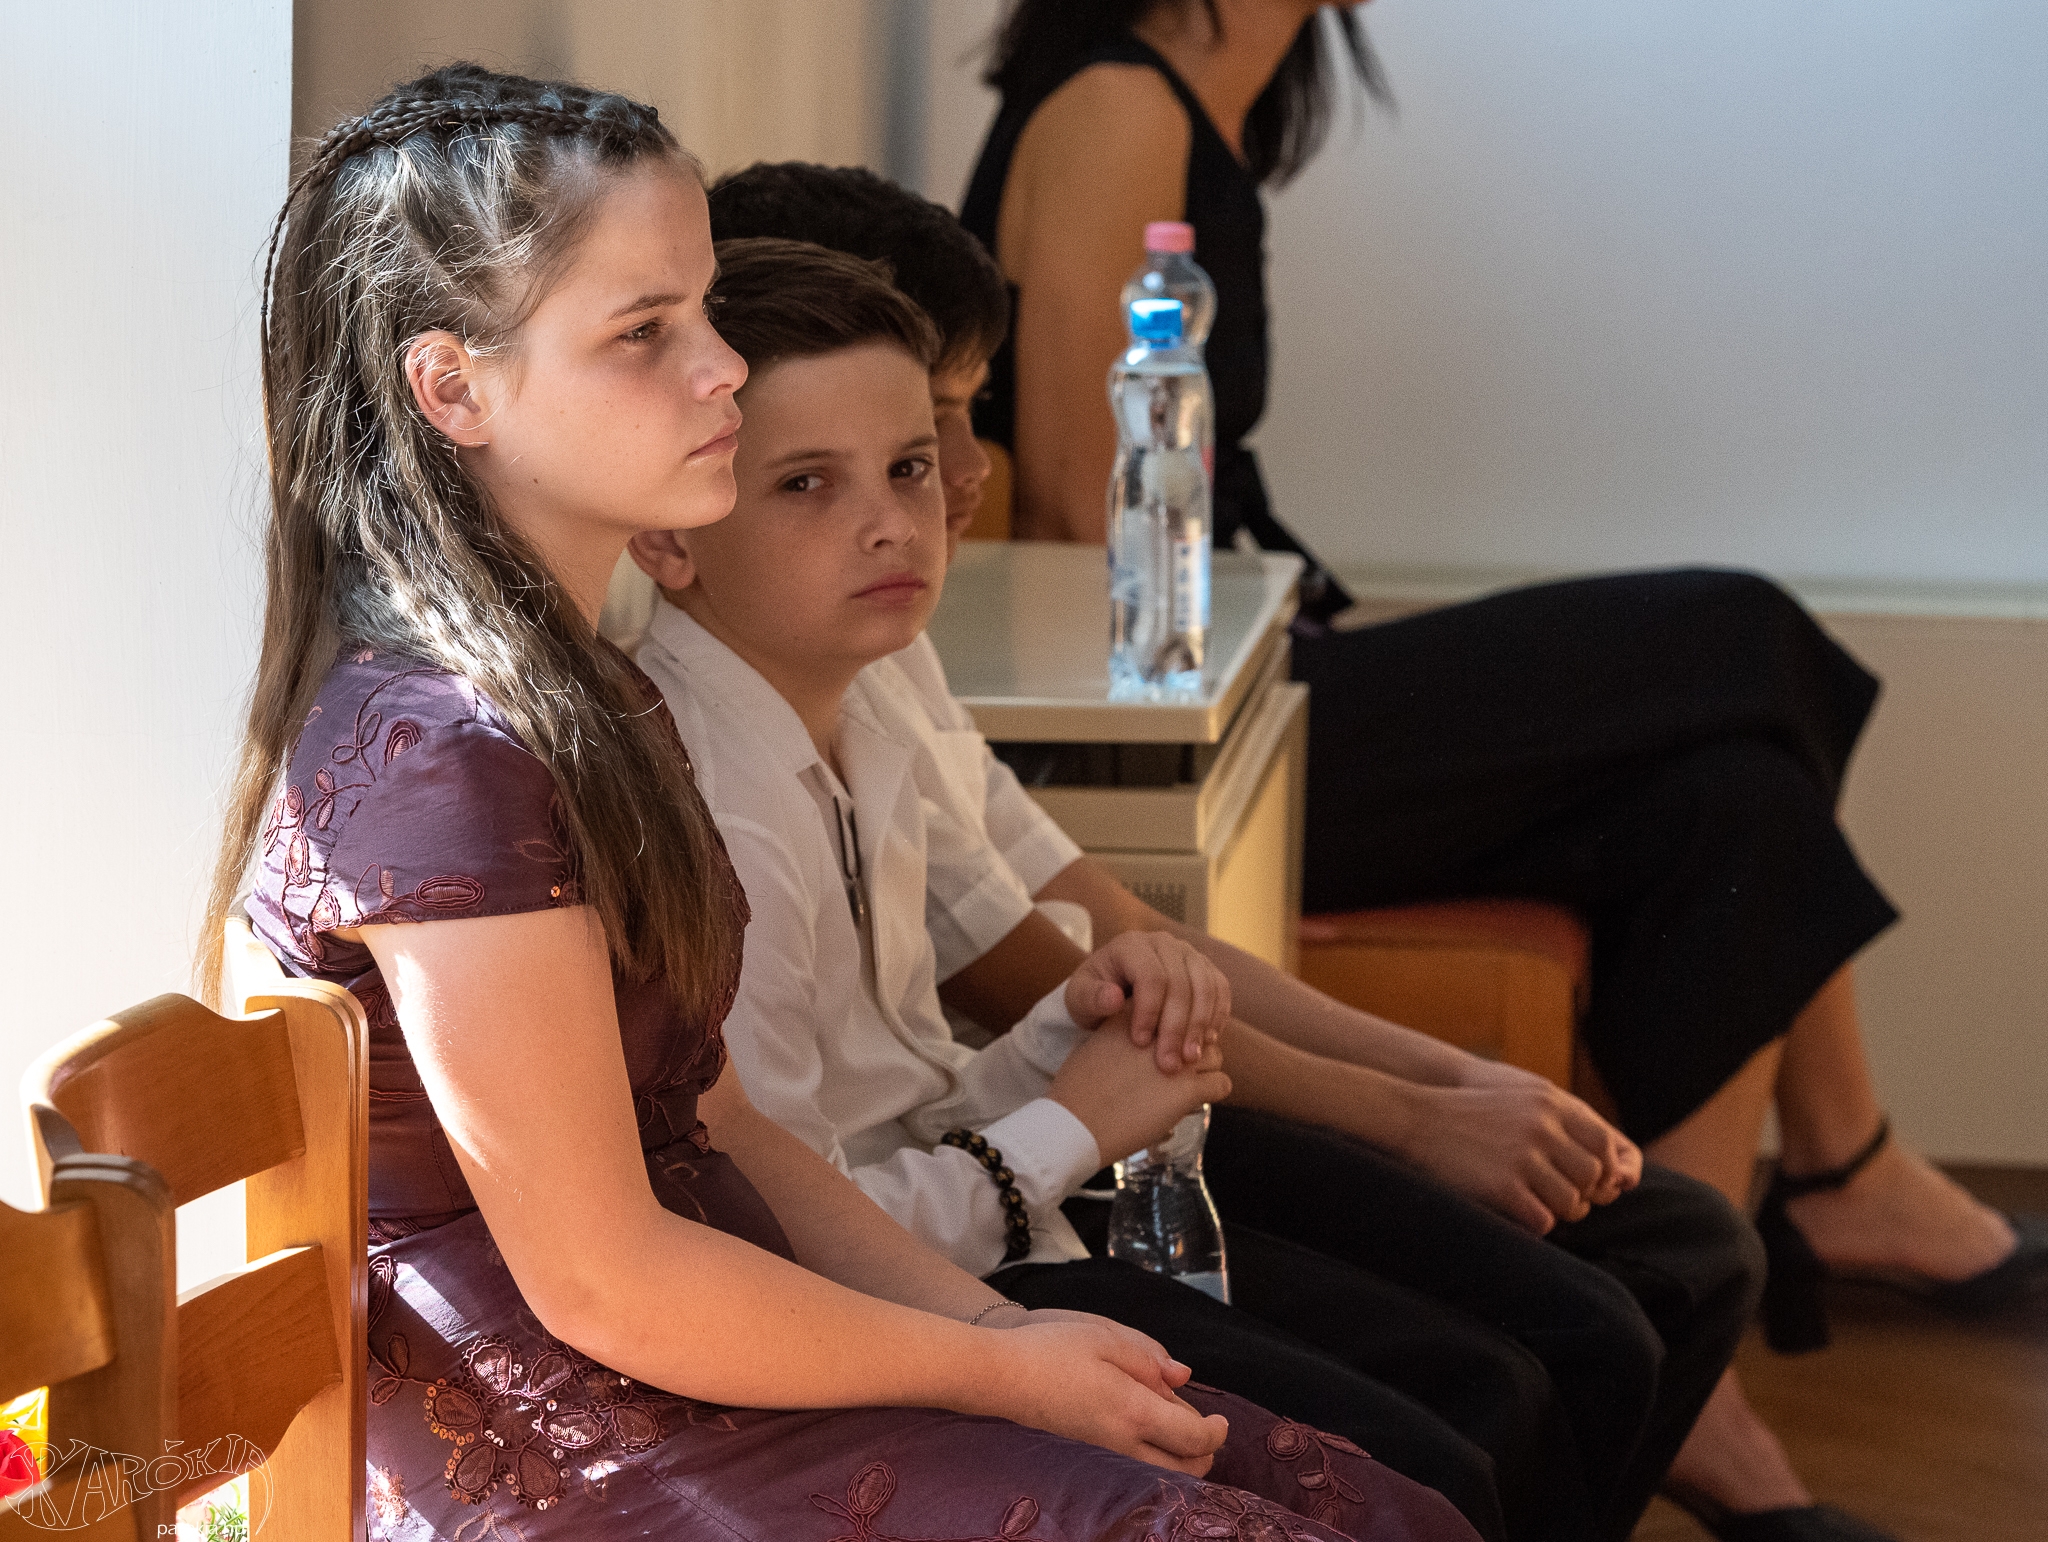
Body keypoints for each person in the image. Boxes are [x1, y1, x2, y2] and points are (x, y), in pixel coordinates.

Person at [211, 63, 1478, 1542]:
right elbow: (605, 1280)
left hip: (720, 1352)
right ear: (454, 388)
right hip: (565, 1442)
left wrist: (998, 1331)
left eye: (704, 312)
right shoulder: (442, 755)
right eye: (646, 332)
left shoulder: (590, 703)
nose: (722, 369)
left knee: (1374, 1503)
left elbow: (727, 1130)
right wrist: (989, 1365)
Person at [956, 5, 2048, 1540]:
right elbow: (1092, 512)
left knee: (1738, 806)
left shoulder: (1217, 99)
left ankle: (1716, 1345)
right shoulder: (1117, 102)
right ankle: (1842, 1168)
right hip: (1212, 703)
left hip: (1265, 657)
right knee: (1743, 635)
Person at [648, 223, 1756, 1542]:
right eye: (806, 485)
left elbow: (969, 1024)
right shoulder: (710, 806)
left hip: (1003, 1184)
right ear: (672, 534)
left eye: (909, 463)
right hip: (939, 1266)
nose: (902, 516)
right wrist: (1071, 1117)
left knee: (1557, 1352)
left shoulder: (867, 673)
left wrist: (1088, 1020)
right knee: (1466, 1425)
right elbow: (795, 1230)